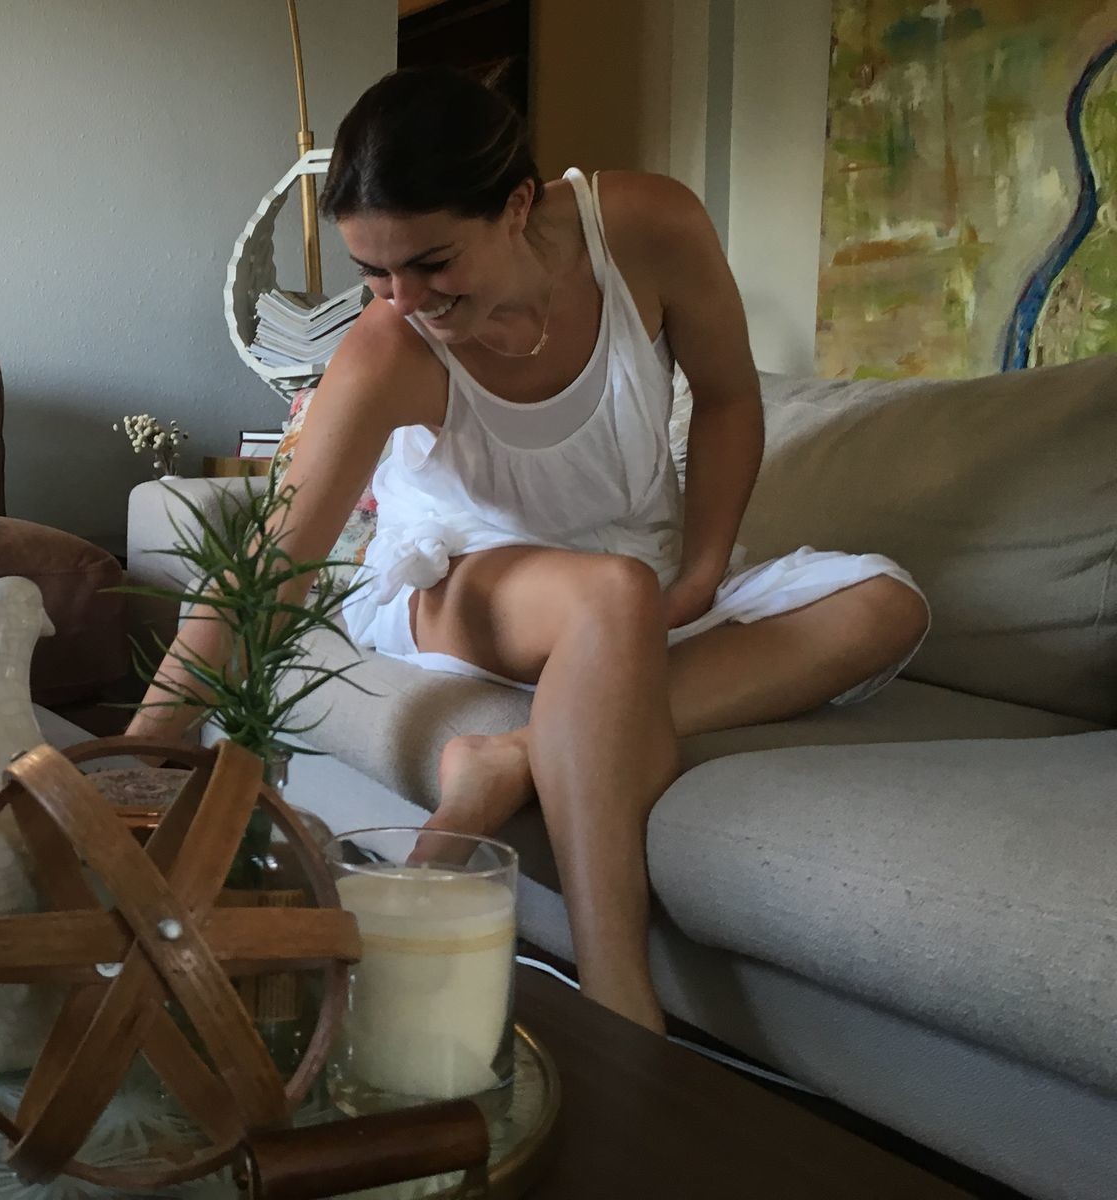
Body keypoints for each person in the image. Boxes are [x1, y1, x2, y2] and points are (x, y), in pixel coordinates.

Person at [129, 67, 929, 1033]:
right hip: (461, 583)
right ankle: (619, 1001)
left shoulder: (649, 230)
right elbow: (271, 567)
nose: (404, 299)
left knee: (885, 602)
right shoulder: (389, 347)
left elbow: (727, 399)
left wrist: (703, 572)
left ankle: (513, 754)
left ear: (516, 205)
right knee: (610, 596)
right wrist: (130, 766)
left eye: (431, 263)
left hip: (638, 576)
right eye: (373, 273)